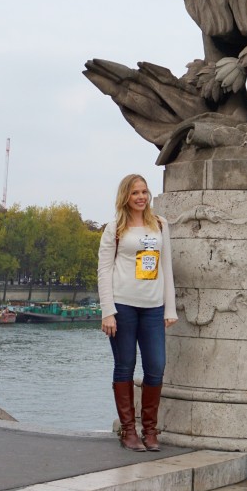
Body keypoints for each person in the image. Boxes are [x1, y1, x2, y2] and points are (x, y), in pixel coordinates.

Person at [97, 174, 177, 451]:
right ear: (125, 197)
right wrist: (108, 310)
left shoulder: (160, 225)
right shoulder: (114, 229)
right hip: (123, 306)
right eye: (135, 193)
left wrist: (170, 308)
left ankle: (150, 431)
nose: (141, 197)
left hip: (153, 308)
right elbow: (104, 271)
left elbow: (166, 268)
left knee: (156, 366)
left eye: (144, 192)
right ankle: (129, 431)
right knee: (125, 366)